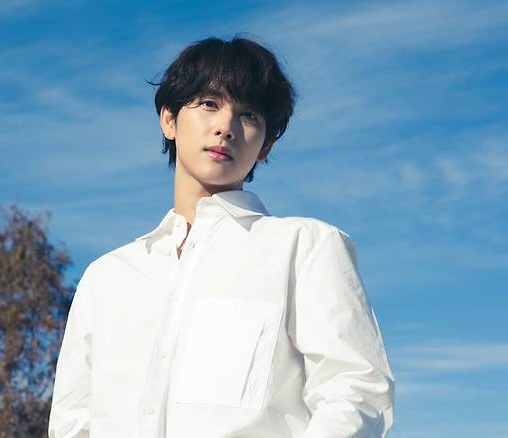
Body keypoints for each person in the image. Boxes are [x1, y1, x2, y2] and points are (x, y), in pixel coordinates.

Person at [48, 35, 395, 438]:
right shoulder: (106, 277)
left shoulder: (304, 247)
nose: (226, 127)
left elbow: (355, 392)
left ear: (266, 146)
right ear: (169, 119)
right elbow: (73, 422)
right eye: (210, 104)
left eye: (248, 115)